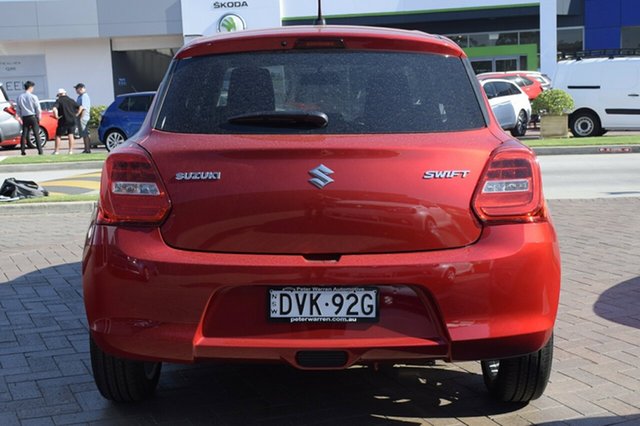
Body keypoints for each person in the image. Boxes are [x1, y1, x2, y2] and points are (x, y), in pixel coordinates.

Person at [52, 88, 84, 155]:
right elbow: (81, 107)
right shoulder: (71, 100)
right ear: (65, 93)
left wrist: (56, 116)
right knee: (71, 134)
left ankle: (57, 151)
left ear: (59, 95)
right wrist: (77, 114)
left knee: (58, 135)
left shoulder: (58, 101)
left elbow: (54, 109)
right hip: (72, 120)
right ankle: (70, 151)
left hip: (63, 120)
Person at [15, 81, 43, 155]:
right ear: (30, 87)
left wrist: (20, 117)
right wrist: (39, 117)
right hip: (33, 116)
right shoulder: (33, 97)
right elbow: (38, 108)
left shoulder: (19, 97)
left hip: (25, 117)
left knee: (24, 133)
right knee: (36, 133)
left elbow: (18, 109)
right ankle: (40, 151)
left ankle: (22, 150)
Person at [74, 83, 92, 153]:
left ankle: (87, 149)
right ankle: (86, 149)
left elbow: (83, 108)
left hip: (84, 117)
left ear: (81, 88)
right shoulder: (80, 96)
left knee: (85, 134)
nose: (76, 90)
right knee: (83, 134)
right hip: (81, 117)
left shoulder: (84, 96)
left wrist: (80, 116)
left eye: (77, 89)